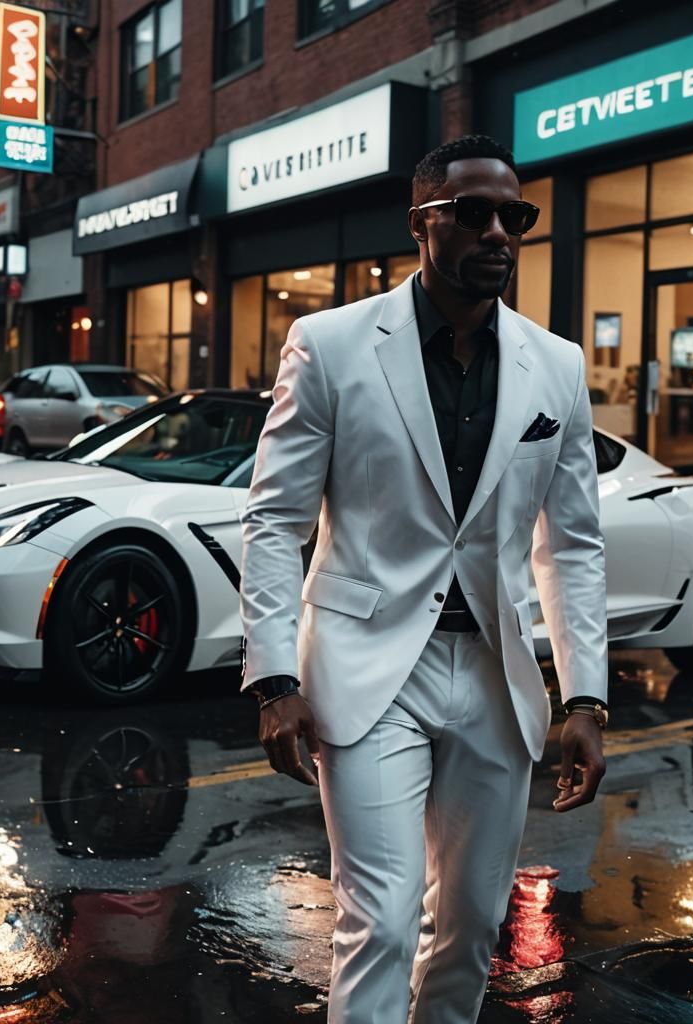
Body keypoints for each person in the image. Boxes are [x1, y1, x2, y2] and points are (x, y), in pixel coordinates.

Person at [240, 134, 608, 1024]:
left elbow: (575, 545)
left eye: (513, 218)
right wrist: (274, 677)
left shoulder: (555, 365)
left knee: (473, 926)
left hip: (494, 673)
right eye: (472, 213)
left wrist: (586, 700)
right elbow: (275, 520)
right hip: (369, 667)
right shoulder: (328, 346)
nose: (497, 234)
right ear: (421, 224)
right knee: (383, 919)